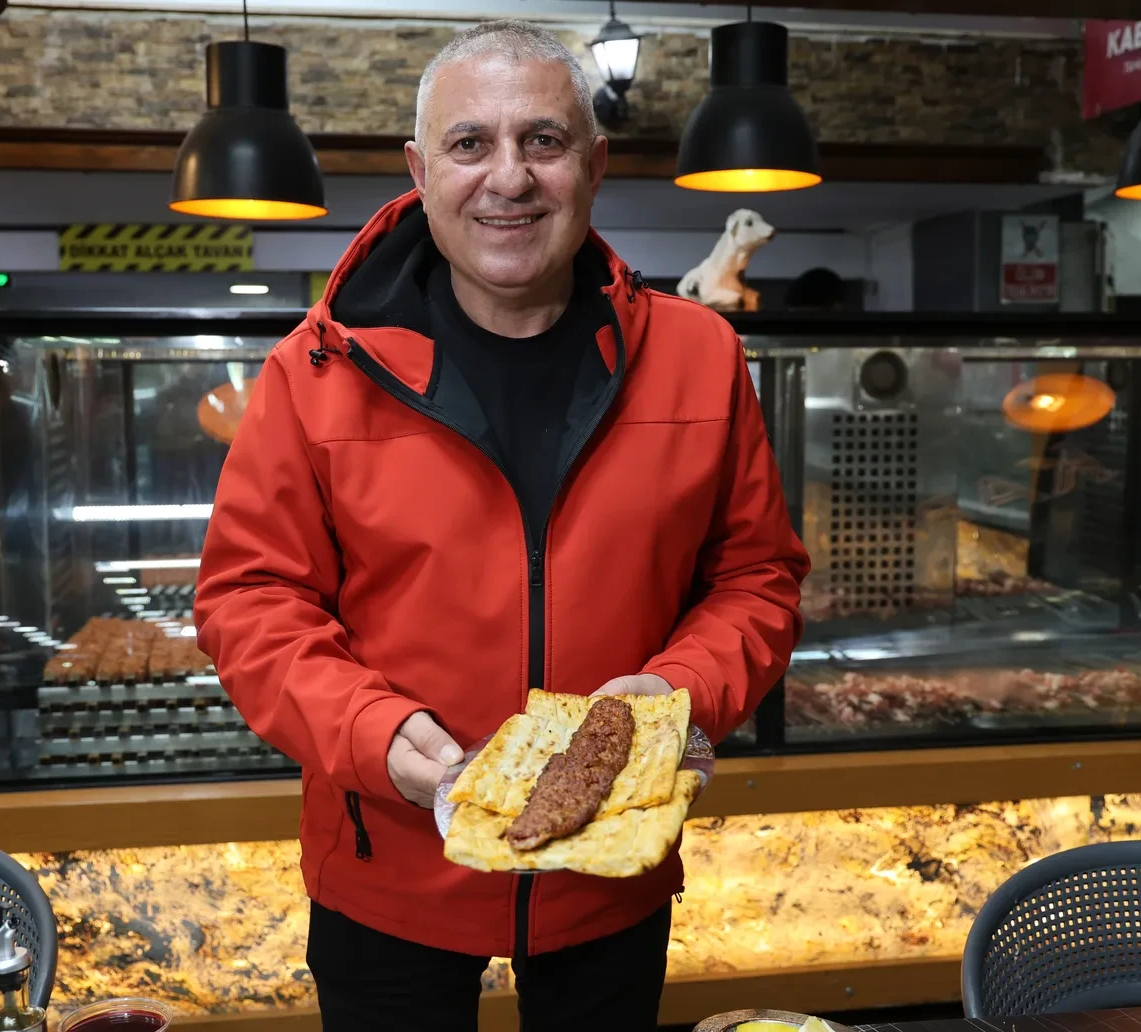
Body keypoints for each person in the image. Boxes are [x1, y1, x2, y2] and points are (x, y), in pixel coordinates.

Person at [194, 18, 809, 1032]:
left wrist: (674, 698)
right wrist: (382, 738)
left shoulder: (699, 357)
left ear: (594, 163)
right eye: (470, 143)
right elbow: (249, 601)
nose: (508, 177)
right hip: (385, 859)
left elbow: (754, 579)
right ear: (419, 167)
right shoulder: (313, 372)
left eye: (543, 141)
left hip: (609, 864)